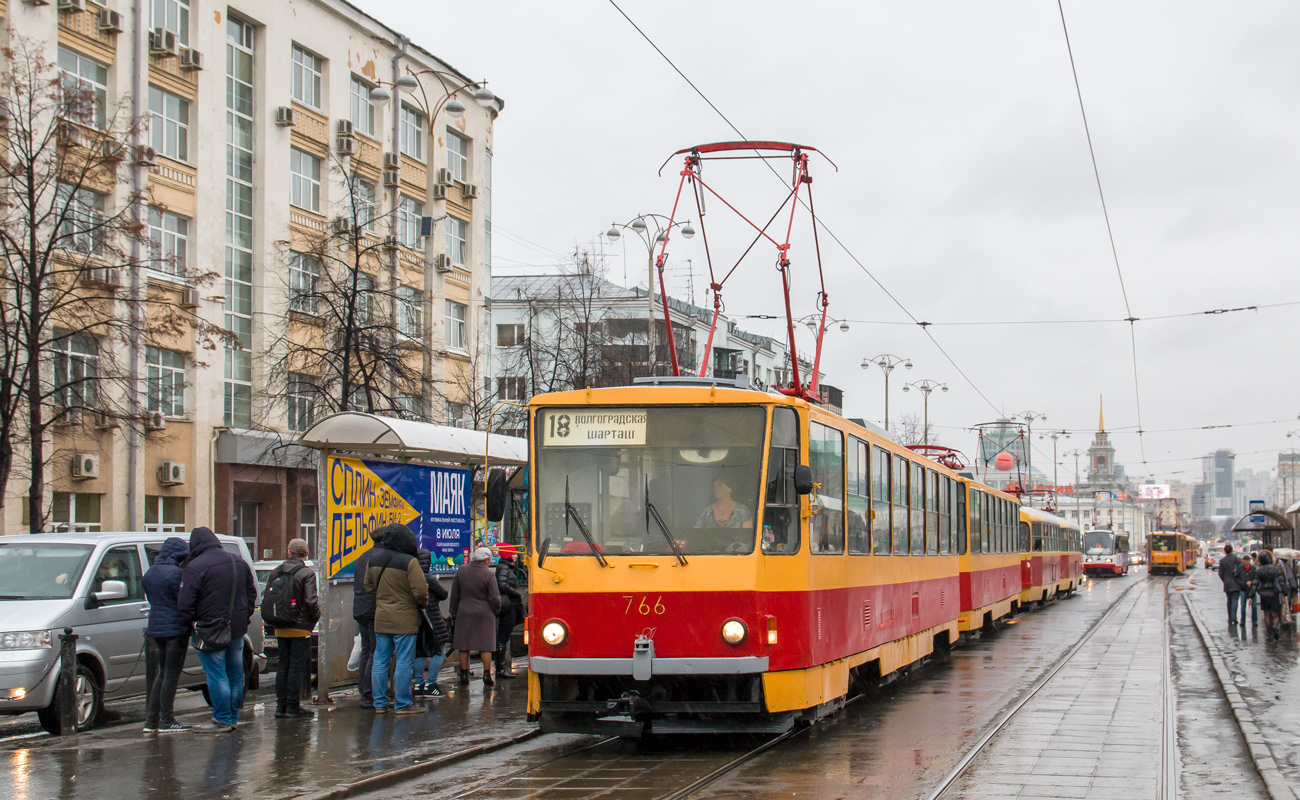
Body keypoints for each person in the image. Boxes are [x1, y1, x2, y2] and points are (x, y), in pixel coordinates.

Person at [177, 527, 257, 733]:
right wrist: (244, 617)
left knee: (216, 675)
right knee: (234, 674)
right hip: (237, 628)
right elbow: (251, 594)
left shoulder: (195, 567)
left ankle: (222, 718)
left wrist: (190, 625)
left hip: (210, 629)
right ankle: (233, 716)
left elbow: (185, 603)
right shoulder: (238, 562)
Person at [364, 524, 428, 714]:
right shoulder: (409, 562)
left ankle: (380, 704)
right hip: (405, 619)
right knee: (403, 661)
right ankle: (402, 703)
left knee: (380, 660)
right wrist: (418, 604)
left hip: (381, 617)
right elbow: (421, 591)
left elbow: (368, 586)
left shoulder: (373, 560)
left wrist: (383, 598)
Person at [142, 537, 191, 734]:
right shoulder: (176, 574)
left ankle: (151, 720)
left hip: (155, 627)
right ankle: (167, 720)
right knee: (171, 675)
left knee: (161, 674)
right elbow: (183, 602)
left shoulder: (150, 573)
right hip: (174, 630)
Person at [268, 539, 319, 719]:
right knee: (297, 666)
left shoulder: (275, 572)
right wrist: (315, 617)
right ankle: (293, 705)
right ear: (306, 554)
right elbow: (311, 601)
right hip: (300, 626)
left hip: (280, 624)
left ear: (288, 553)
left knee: (283, 665)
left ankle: (280, 707)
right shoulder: (307, 573)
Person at [450, 547, 502, 687]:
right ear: (486, 559)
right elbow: (494, 598)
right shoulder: (489, 574)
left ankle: (464, 675)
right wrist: (496, 610)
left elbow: (455, 593)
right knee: (486, 645)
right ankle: (486, 674)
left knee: (464, 645)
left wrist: (453, 611)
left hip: (464, 611)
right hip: (485, 613)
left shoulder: (462, 570)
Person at [352, 528, 387, 709]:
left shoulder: (363, 556)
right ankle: (370, 693)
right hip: (375, 609)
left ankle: (363, 691)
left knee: (366, 650)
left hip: (360, 608)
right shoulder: (382, 558)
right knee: (376, 651)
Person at [414, 548, 450, 698]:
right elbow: (444, 594)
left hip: (416, 619)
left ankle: (418, 684)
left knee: (419, 652)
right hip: (432, 618)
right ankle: (431, 684)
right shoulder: (429, 578)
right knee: (439, 650)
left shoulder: (411, 578)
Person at [494, 545, 523, 679]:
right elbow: (502, 585)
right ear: (508, 555)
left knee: (504, 636)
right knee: (503, 637)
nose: (516, 556)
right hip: (509, 606)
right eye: (514, 554)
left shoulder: (506, 568)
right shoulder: (504, 568)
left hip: (510, 605)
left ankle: (501, 667)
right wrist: (516, 593)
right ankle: (500, 669)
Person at [1255, 551, 1286, 641]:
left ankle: (1270, 633)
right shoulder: (1275, 569)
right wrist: (1285, 593)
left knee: (1267, 614)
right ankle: (1275, 626)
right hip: (1274, 593)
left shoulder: (1259, 570)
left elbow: (1255, 583)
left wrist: (1251, 595)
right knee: (1275, 614)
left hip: (1264, 594)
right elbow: (1281, 582)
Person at [1219, 544, 1246, 627]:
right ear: (1232, 550)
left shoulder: (1222, 561)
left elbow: (1220, 573)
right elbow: (1241, 571)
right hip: (1236, 583)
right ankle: (1234, 617)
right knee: (1235, 601)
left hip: (1227, 583)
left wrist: (1225, 580)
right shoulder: (1237, 560)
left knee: (1229, 601)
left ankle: (1230, 617)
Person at [1243, 553, 1259, 627]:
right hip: (1243, 589)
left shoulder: (1254, 569)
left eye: (1247, 561)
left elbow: (1256, 578)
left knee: (1254, 605)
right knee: (1243, 605)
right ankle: (1242, 620)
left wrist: (1251, 582)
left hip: (1252, 589)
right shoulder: (1240, 569)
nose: (1246, 562)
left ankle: (1254, 620)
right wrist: (1244, 582)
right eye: (1245, 561)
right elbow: (1238, 578)